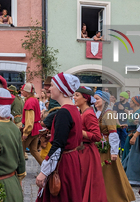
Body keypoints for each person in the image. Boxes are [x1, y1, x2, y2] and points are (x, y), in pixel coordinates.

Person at [35, 73, 82, 202]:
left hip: (64, 163)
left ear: (61, 89)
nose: (49, 88)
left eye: (53, 85)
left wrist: (43, 172)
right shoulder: (74, 109)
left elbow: (58, 146)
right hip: (71, 159)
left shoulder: (64, 112)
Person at [94, 90, 135, 202]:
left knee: (110, 174)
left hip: (107, 148)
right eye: (95, 98)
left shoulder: (108, 114)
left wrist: (113, 152)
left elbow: (113, 133)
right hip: (102, 146)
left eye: (97, 99)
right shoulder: (101, 113)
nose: (95, 101)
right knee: (105, 174)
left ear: (105, 101)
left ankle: (115, 196)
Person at [74, 87, 108, 202]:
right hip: (81, 150)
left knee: (86, 182)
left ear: (85, 98)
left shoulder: (89, 114)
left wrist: (79, 131)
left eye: (77, 95)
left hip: (87, 152)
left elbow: (97, 136)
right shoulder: (82, 112)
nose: (74, 97)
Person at [21, 83, 43, 165]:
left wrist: (26, 132)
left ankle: (20, 172)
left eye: (23, 90)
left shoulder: (29, 102)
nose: (21, 92)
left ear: (27, 91)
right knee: (34, 151)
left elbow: (30, 119)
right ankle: (46, 169)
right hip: (36, 128)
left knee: (20, 150)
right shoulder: (34, 99)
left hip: (31, 129)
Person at [122, 96, 140, 160]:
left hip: (133, 135)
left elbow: (139, 124)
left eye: (131, 101)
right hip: (129, 134)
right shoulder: (134, 112)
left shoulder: (139, 112)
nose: (129, 102)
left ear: (135, 103)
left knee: (130, 154)